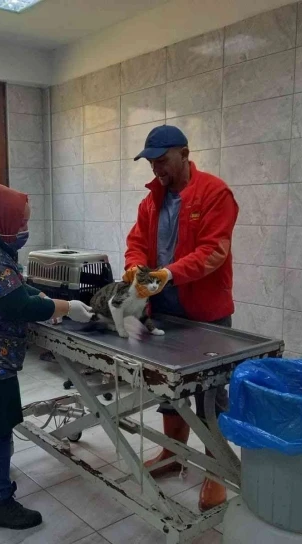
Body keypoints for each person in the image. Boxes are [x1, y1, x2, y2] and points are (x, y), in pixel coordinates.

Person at [0, 184, 93, 530]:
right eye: (21, 221)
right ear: (2, 217)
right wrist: (66, 306)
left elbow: (13, 285)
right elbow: (17, 304)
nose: (24, 228)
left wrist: (45, 298)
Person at [123, 125, 239, 512]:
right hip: (163, 310)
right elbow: (137, 242)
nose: (157, 169)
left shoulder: (215, 193)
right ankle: (172, 455)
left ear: (185, 154)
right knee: (168, 386)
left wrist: (167, 274)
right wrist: (135, 267)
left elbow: (213, 251)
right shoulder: (151, 200)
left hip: (205, 313)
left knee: (209, 392)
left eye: (162, 160)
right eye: (151, 163)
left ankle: (217, 471)